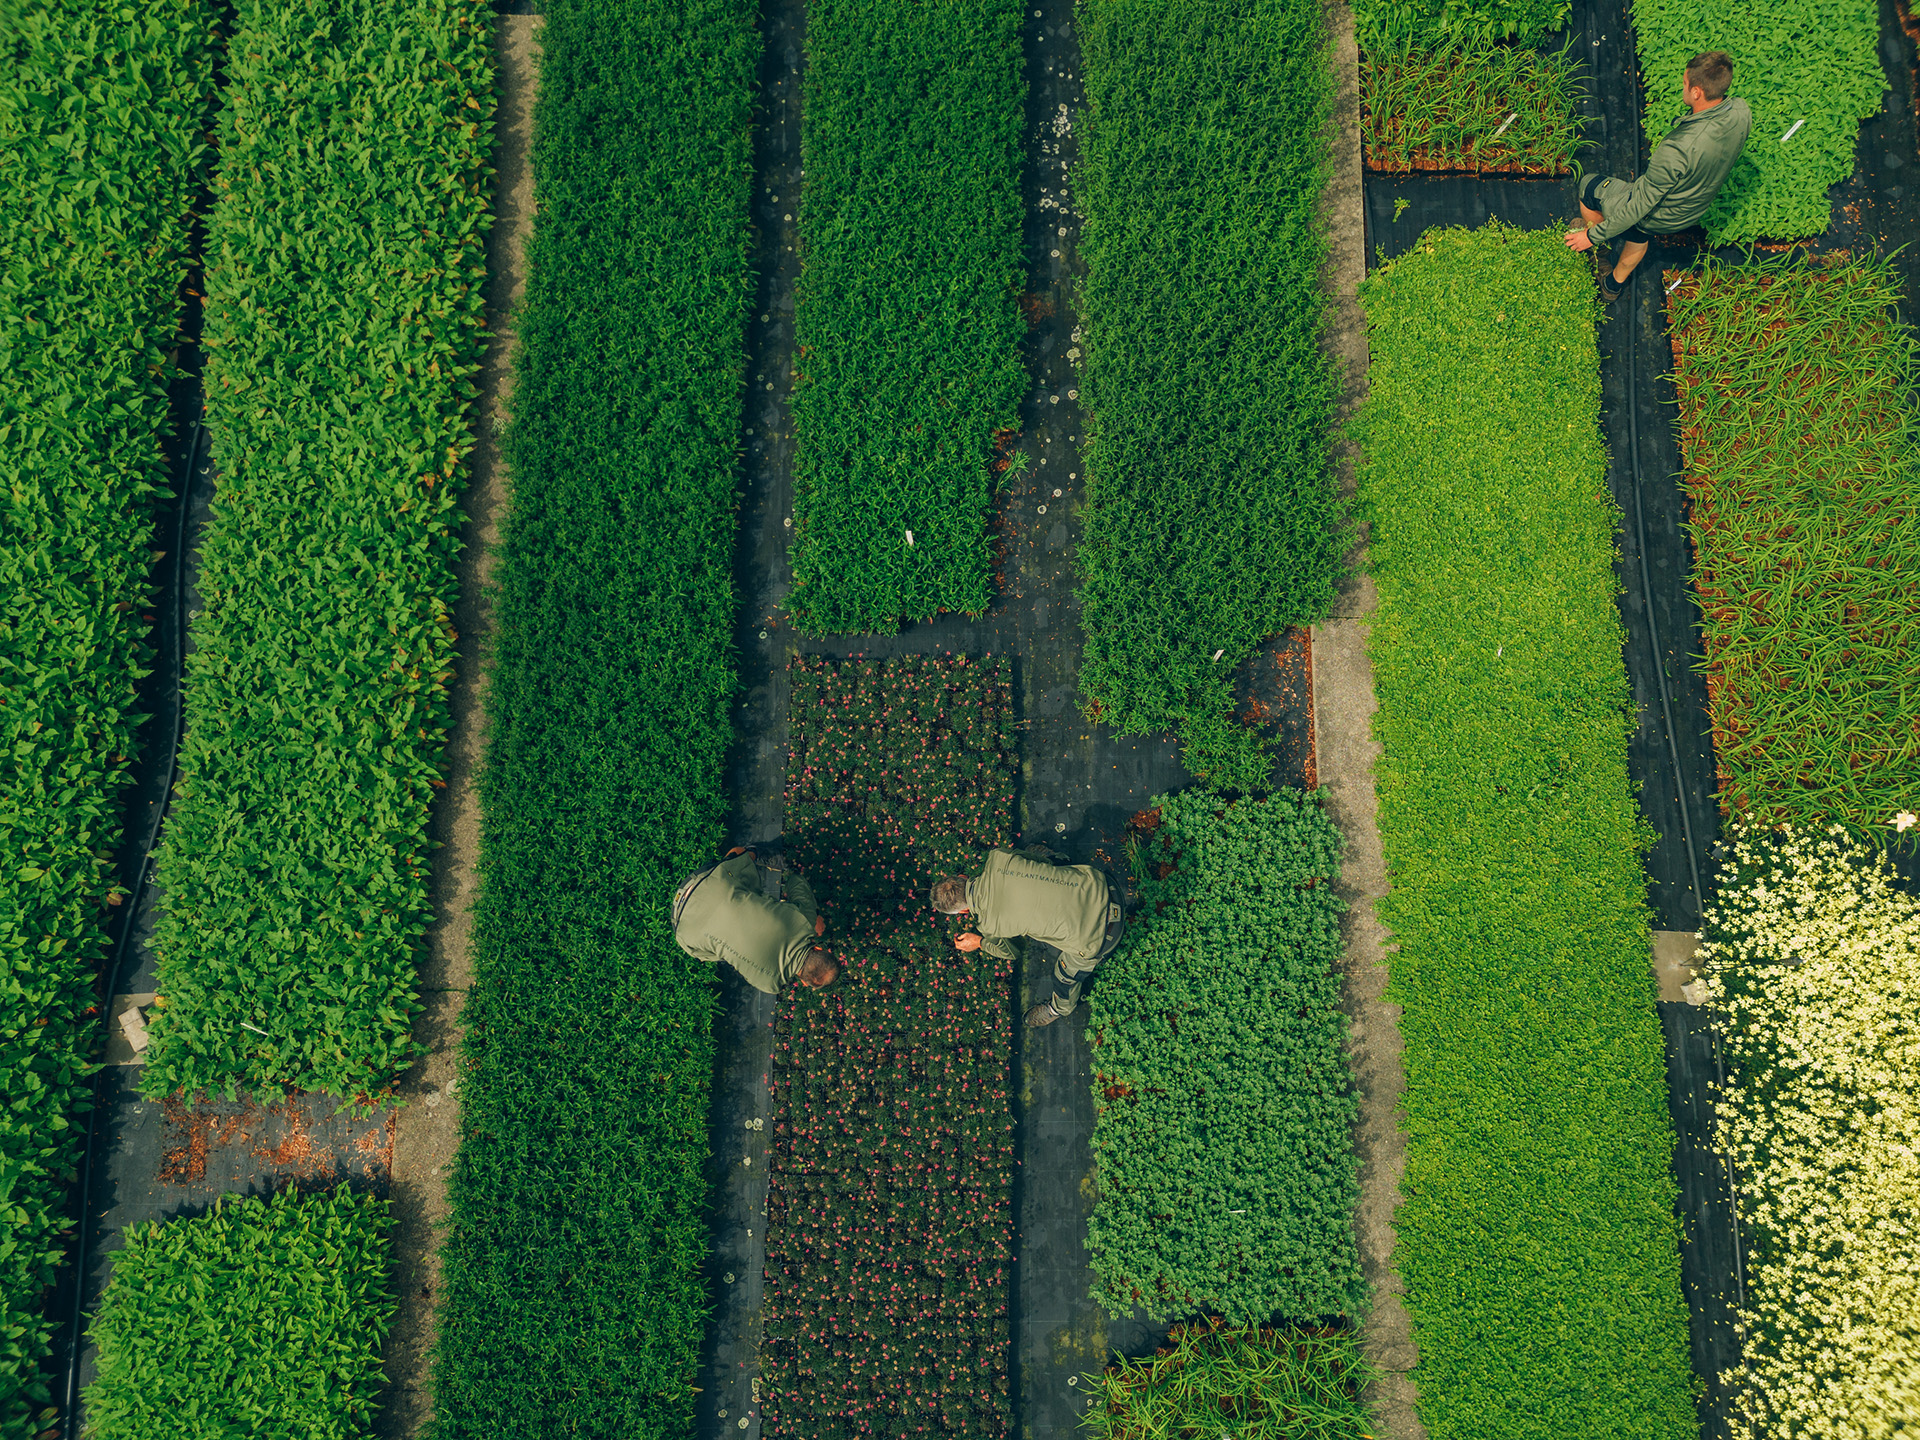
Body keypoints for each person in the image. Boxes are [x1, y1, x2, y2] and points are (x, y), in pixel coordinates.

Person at [1565, 50, 1751, 301]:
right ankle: (1612, 284)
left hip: (1661, 215)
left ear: (1697, 92)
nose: (1682, 87)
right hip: (1693, 208)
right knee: (1638, 230)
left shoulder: (1677, 149)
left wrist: (1590, 236)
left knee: (1591, 187)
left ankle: (1599, 253)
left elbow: (1639, 206)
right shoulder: (1741, 110)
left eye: (1686, 83)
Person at [930, 848, 1126, 1029]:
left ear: (963, 911)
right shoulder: (999, 857)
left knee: (1063, 976)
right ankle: (1060, 858)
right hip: (1105, 885)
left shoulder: (989, 925)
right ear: (963, 877)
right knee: (1048, 867)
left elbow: (1012, 952)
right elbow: (1042, 863)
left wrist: (979, 942)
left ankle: (1059, 1009)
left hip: (1105, 936)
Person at [672, 846, 838, 993]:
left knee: (742, 864)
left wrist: (813, 914)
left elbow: (796, 882)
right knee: (717, 952)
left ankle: (754, 852)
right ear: (803, 982)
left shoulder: (805, 921)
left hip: (701, 882)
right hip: (682, 927)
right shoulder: (770, 984)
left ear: (818, 948)